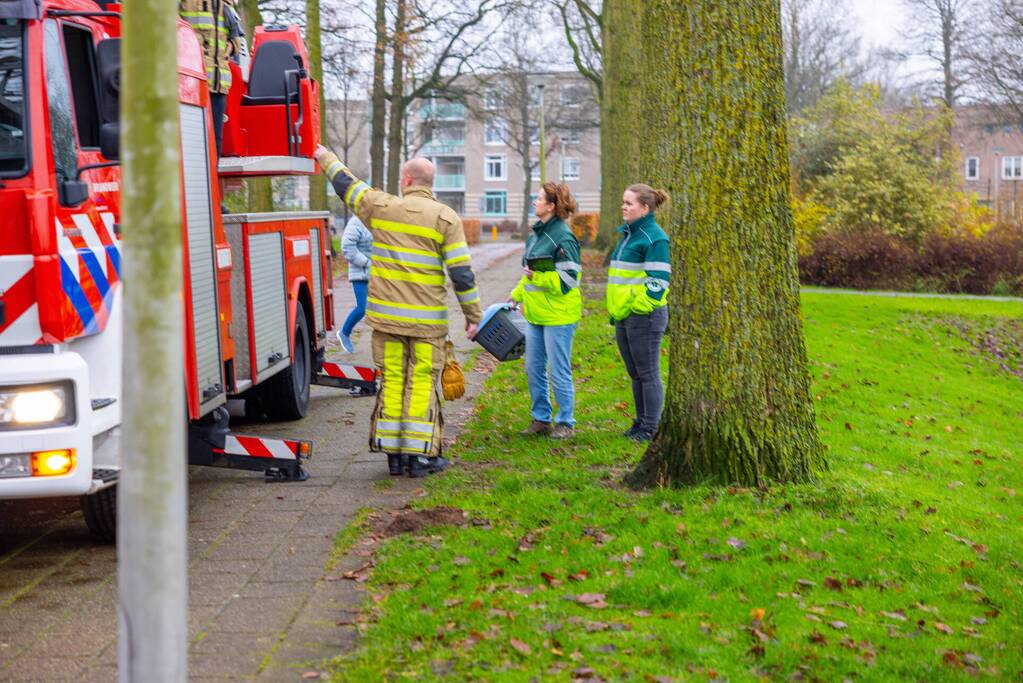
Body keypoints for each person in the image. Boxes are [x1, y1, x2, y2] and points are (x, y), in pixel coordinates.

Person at [313, 144, 482, 477]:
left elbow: (348, 186)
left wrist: (325, 157)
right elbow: (462, 274)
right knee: (420, 383)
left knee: (391, 381)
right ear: (430, 183)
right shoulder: (446, 218)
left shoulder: (383, 207)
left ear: (406, 179)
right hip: (426, 326)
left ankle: (393, 456)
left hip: (387, 323)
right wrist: (473, 317)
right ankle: (419, 457)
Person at [509, 183, 582, 439]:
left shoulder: (563, 237)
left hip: (559, 316)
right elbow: (528, 274)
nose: (534, 201)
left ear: (551, 205)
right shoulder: (535, 236)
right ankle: (541, 419)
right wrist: (515, 296)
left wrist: (539, 278)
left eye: (538, 198)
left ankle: (565, 422)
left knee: (558, 370)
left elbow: (569, 279)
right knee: (533, 367)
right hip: (536, 315)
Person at [607, 184, 671, 442]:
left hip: (644, 316)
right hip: (625, 315)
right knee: (635, 373)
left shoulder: (654, 237)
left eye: (629, 203)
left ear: (645, 208)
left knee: (648, 373)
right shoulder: (629, 235)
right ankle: (640, 422)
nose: (624, 206)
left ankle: (651, 427)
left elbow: (659, 281)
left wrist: (638, 308)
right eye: (623, 202)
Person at [180, 0, 239, 156]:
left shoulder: (226, 4)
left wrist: (231, 46)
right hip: (191, 84)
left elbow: (236, 37)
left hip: (219, 84)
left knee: (215, 141)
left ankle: (214, 177)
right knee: (194, 141)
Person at [338, 214, 372, 353]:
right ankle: (344, 333)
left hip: (375, 273)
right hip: (360, 273)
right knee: (361, 308)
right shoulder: (356, 222)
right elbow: (347, 247)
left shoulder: (374, 219)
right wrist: (366, 263)